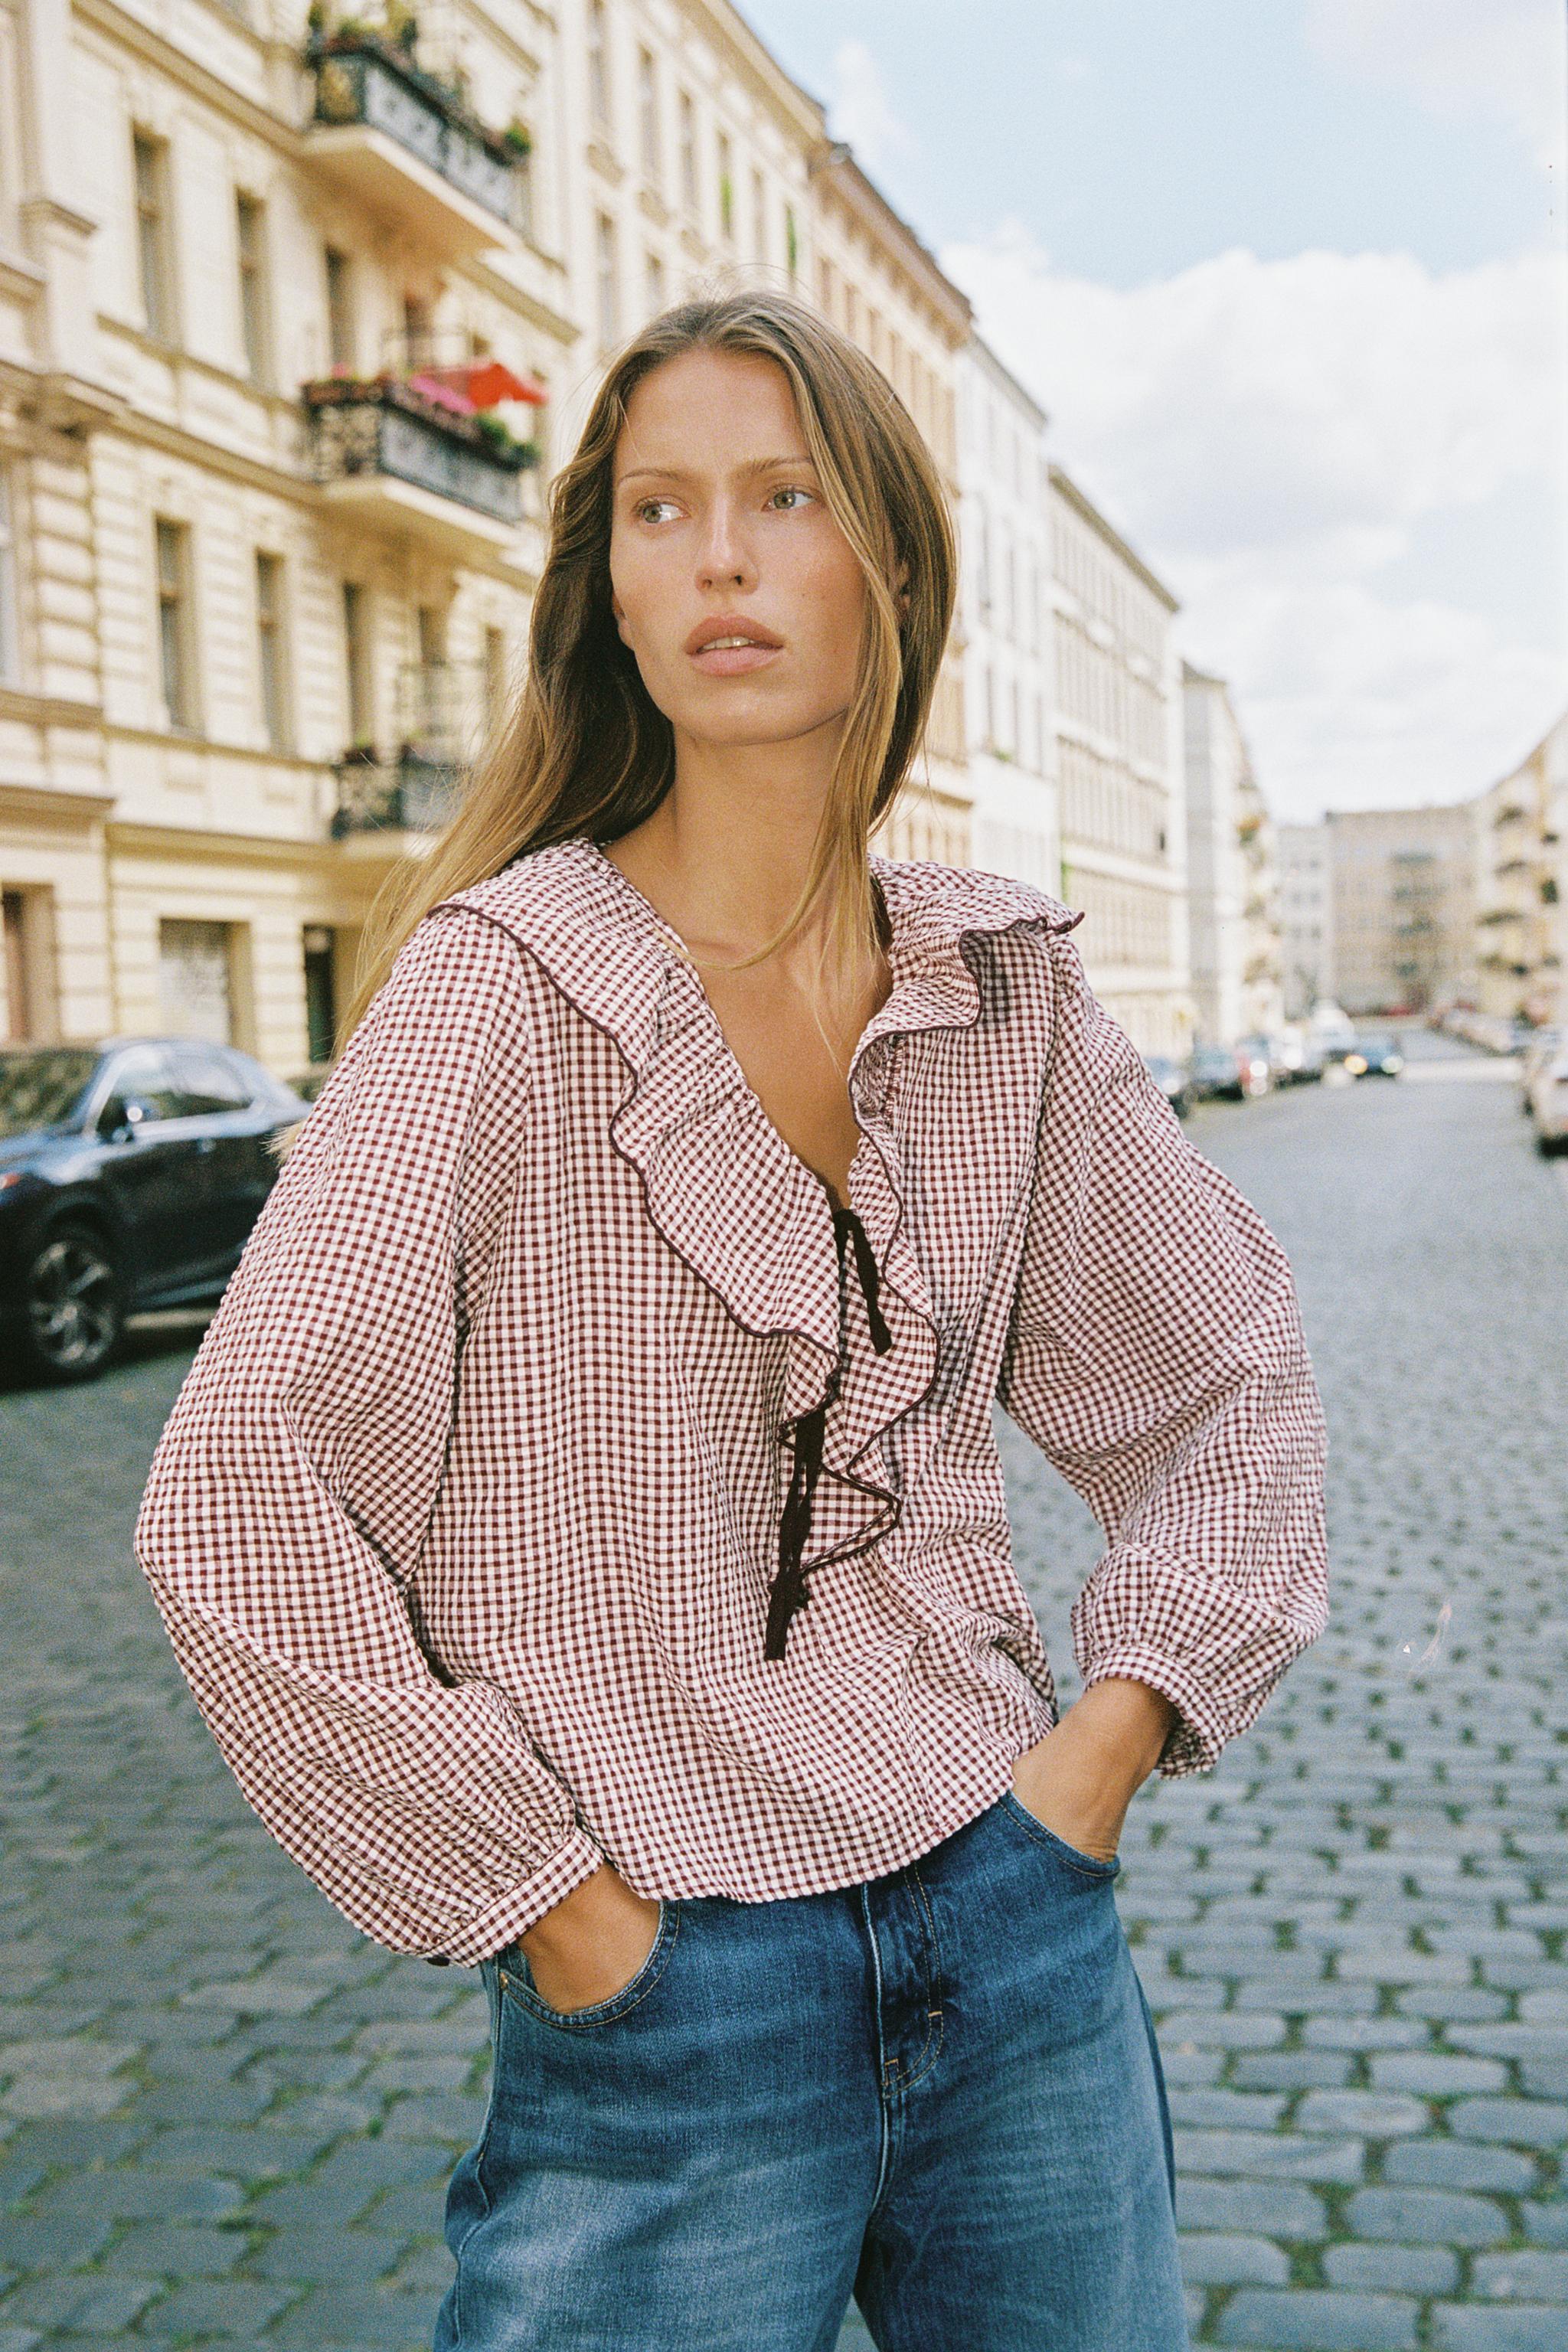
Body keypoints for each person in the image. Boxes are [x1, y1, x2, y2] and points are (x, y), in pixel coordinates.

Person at [135, 289, 1328, 2352]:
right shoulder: (500, 994)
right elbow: (237, 1502)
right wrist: (549, 1903)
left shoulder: (1005, 991)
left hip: (1013, 1921)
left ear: (891, 565)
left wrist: (1103, 1755)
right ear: (606, 594)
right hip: (673, 1986)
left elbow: (1225, 1381)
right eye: (659, 511)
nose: (717, 559)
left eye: (782, 497)